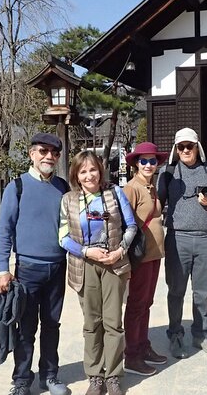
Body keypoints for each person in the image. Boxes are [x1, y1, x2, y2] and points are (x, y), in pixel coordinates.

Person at [0, 133, 70, 395]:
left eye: (54, 152)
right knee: (26, 328)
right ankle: (22, 380)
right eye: (42, 151)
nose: (48, 156)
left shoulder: (63, 188)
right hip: (27, 269)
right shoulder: (17, 187)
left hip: (58, 266)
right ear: (31, 154)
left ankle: (49, 376)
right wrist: (3, 269)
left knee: (52, 324)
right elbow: (4, 230)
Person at [58, 151, 137, 395]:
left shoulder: (114, 194)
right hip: (86, 266)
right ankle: (95, 376)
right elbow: (62, 237)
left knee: (114, 323)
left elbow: (131, 226)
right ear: (76, 176)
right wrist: (85, 252)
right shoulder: (69, 200)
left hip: (113, 264)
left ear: (100, 171)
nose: (89, 175)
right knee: (92, 324)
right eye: (83, 171)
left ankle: (113, 375)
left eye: (93, 169)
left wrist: (120, 251)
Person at [157, 127, 207, 359]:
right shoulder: (167, 172)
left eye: (190, 146)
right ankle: (175, 335)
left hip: (206, 238)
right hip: (177, 238)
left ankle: (200, 334)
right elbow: (157, 203)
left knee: (202, 292)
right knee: (176, 290)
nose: (186, 150)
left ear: (198, 147)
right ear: (176, 149)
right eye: (181, 147)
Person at [121, 142, 169, 376]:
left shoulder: (151, 187)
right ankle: (132, 354)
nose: (149, 165)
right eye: (144, 161)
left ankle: (143, 345)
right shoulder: (132, 188)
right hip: (140, 256)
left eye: (152, 161)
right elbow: (123, 223)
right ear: (135, 164)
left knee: (146, 302)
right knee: (136, 305)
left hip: (153, 254)